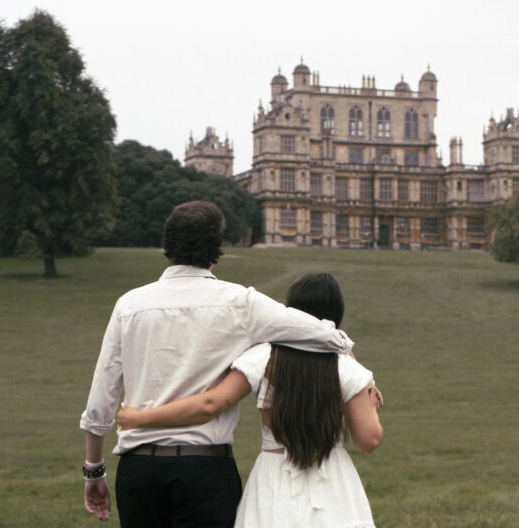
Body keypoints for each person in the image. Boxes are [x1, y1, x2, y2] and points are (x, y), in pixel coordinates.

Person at [79, 201, 355, 527]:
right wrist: (351, 361)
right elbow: (323, 333)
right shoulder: (240, 302)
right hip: (205, 471)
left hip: (139, 470)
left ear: (167, 246)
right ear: (216, 251)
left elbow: (102, 400)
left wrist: (93, 469)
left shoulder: (129, 304)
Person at [117, 272, 383, 528]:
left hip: (274, 477)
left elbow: (211, 404)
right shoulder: (346, 366)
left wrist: (138, 418)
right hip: (334, 483)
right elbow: (368, 440)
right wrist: (368, 400)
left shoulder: (265, 356)